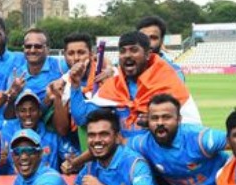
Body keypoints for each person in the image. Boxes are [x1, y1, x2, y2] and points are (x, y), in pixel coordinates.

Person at [70, 31, 200, 139]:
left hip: (161, 163)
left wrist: (157, 124)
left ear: (148, 54)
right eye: (123, 51)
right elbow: (81, 118)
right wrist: (75, 85)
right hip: (128, 163)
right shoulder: (113, 88)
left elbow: (193, 128)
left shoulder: (168, 84)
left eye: (134, 50)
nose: (127, 55)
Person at [0, 89, 77, 175]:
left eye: (32, 110)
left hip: (47, 184)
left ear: (40, 112)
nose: (28, 114)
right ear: (17, 113)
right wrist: (2, 163)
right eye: (23, 110)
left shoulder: (51, 134)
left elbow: (73, 158)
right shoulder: (7, 132)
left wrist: (71, 163)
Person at [4, 28, 63, 115]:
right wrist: (12, 98)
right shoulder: (16, 75)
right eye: (28, 46)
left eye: (38, 46)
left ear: (47, 49)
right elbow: (8, 116)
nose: (32, 50)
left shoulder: (60, 66)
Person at [136, 16, 184, 81]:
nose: (148, 42)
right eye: (143, 37)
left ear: (162, 40)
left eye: (153, 38)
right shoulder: (128, 69)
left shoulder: (174, 71)